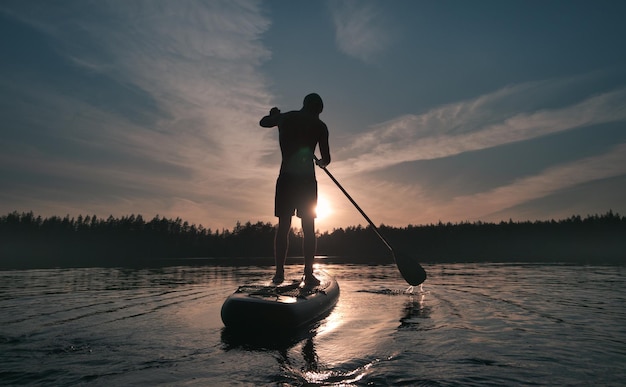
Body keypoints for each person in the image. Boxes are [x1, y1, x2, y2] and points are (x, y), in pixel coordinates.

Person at [260, 93, 331, 286]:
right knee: (308, 228)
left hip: (286, 178)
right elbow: (326, 159)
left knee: (284, 226)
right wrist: (321, 161)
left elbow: (264, 122)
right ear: (317, 110)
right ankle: (308, 274)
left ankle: (279, 274)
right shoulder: (319, 126)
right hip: (306, 181)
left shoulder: (287, 117)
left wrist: (275, 115)